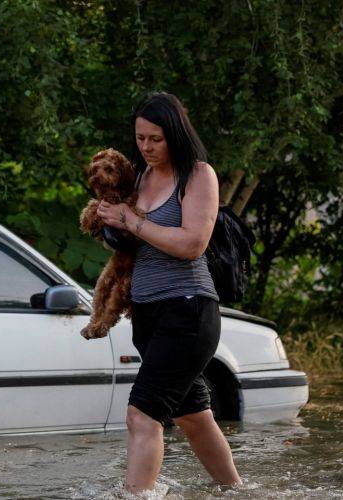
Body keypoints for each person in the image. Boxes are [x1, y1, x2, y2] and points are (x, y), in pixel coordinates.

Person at [96, 92, 242, 493]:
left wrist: (131, 220)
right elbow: (135, 244)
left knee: (141, 416)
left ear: (175, 133)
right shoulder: (140, 178)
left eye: (155, 139)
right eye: (140, 138)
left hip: (189, 312)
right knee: (194, 417)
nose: (146, 147)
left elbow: (191, 243)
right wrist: (112, 225)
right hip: (147, 314)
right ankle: (237, 492)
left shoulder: (198, 175)